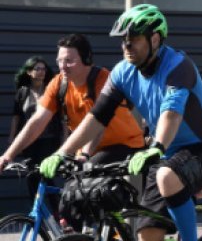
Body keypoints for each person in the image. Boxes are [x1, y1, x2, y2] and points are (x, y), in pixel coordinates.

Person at [37, 5, 202, 241]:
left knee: (166, 176)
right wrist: (62, 152)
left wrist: (155, 146)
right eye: (123, 40)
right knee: (147, 234)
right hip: (167, 150)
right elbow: (97, 117)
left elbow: (171, 113)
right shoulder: (124, 72)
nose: (127, 45)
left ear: (155, 39)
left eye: (134, 39)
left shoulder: (177, 66)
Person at [0, 35, 144, 176]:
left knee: (87, 185)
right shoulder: (59, 83)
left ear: (86, 59)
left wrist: (84, 154)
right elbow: (37, 121)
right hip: (87, 151)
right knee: (71, 193)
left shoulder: (103, 80)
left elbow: (99, 124)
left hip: (125, 145)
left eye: (69, 61)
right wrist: (7, 156)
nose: (63, 66)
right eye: (60, 60)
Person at [8, 56, 60, 162]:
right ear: (29, 72)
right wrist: (12, 137)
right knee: (31, 173)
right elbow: (16, 116)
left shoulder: (50, 90)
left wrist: (64, 138)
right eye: (37, 69)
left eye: (43, 69)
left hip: (48, 139)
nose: (41, 72)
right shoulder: (22, 92)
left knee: (46, 173)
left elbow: (62, 117)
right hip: (28, 140)